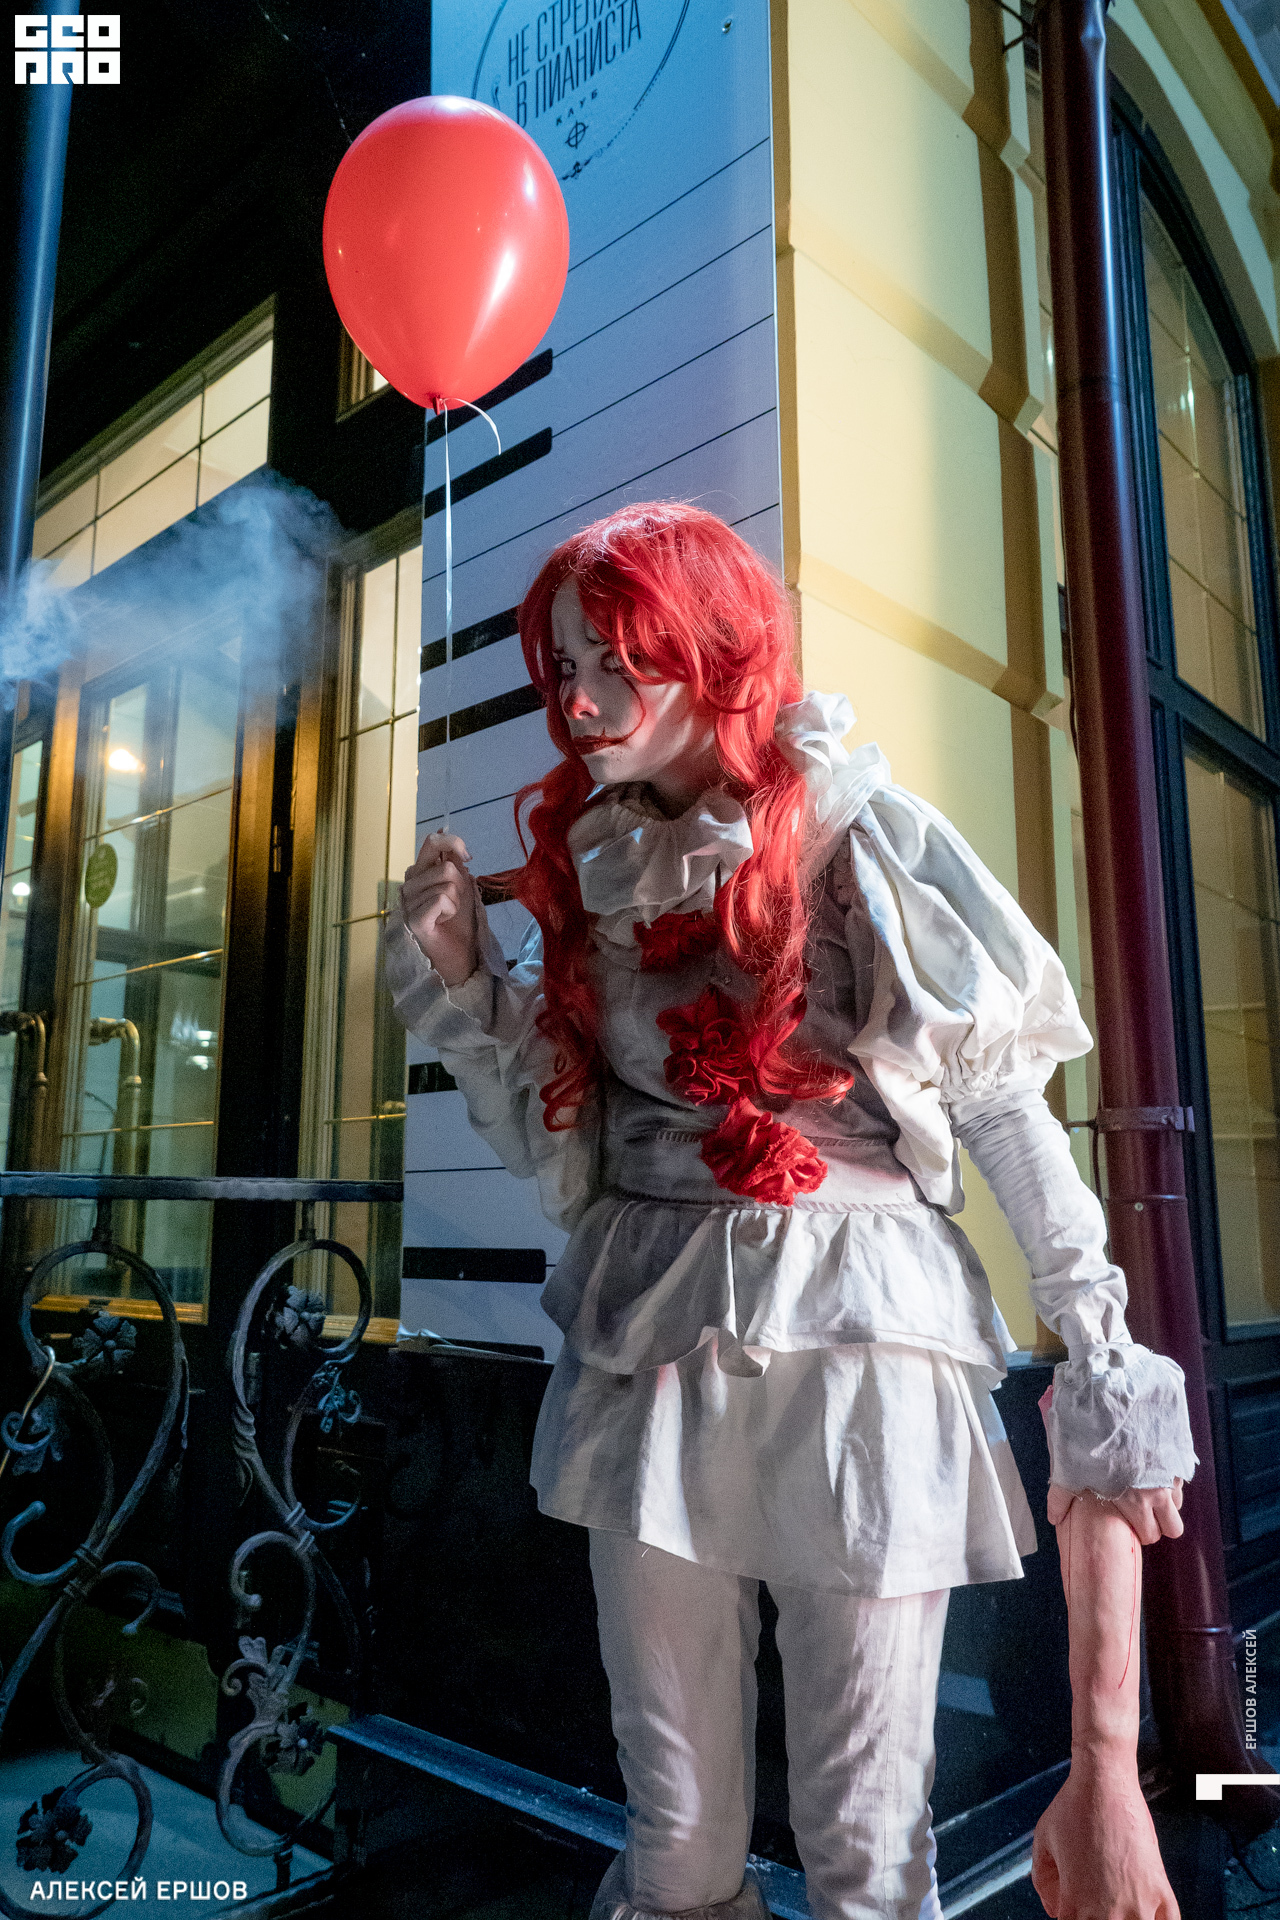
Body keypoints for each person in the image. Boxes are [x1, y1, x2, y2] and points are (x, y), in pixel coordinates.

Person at [384, 502, 1195, 1920]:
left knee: (865, 1839)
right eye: (564, 666)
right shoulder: (597, 868)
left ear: (716, 650)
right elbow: (568, 1144)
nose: (579, 703)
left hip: (863, 1340)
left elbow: (998, 1102)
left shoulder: (858, 840)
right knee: (677, 1832)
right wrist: (466, 979)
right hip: (651, 1340)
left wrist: (1096, 1333)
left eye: (618, 661)